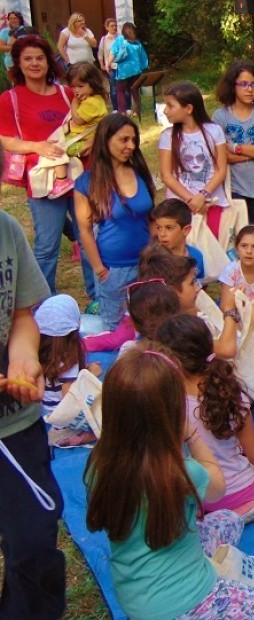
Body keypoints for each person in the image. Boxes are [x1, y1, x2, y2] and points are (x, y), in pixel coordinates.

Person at [84, 343, 254, 619]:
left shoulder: (99, 466)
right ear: (174, 415)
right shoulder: (183, 473)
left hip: (135, 600)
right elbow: (218, 487)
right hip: (192, 600)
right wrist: (192, 436)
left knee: (226, 520)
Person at [156, 314, 254, 522]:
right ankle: (249, 513)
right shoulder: (229, 393)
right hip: (235, 489)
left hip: (195, 493)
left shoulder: (164, 398)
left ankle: (209, 515)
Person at [0, 200, 64, 618]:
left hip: (14, 426)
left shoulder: (6, 229)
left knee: (34, 543)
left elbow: (22, 315)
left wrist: (24, 356)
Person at [0, 35, 96, 300]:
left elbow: (93, 121)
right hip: (43, 182)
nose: (34, 63)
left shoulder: (67, 93)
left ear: (49, 61)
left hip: (79, 177)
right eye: (28, 58)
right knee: (47, 244)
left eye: (40, 58)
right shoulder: (10, 99)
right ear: (18, 64)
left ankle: (98, 297)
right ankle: (43, 300)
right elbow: (4, 139)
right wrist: (37, 146)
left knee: (88, 238)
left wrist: (91, 140)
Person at [74, 114, 155, 334]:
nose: (131, 146)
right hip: (113, 269)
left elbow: (151, 217)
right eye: (124, 140)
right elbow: (85, 230)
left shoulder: (139, 171)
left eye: (133, 140)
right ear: (106, 139)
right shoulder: (87, 182)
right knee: (114, 331)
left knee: (149, 327)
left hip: (146, 264)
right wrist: (100, 271)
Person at [158, 81, 228, 238]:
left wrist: (203, 196)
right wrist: (191, 200)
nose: (165, 110)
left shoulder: (214, 131)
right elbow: (166, 176)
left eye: (170, 105)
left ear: (188, 108)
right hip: (179, 207)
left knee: (212, 249)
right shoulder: (167, 136)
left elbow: (221, 169)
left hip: (212, 202)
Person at [34, 294, 102, 447]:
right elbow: (70, 399)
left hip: (43, 410)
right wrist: (88, 379)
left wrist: (85, 372)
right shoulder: (68, 359)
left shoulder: (36, 352)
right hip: (61, 418)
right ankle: (67, 435)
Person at [213, 60, 254, 227]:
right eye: (244, 84)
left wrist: (235, 148)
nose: (250, 89)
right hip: (232, 188)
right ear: (232, 86)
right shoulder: (220, 116)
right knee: (234, 238)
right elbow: (221, 156)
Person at [50, 62, 109, 199]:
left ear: (93, 84)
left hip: (84, 139)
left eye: (81, 86)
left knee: (57, 151)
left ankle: (62, 179)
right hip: (81, 136)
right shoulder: (93, 98)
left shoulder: (92, 103)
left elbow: (77, 120)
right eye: (73, 86)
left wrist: (74, 103)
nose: (76, 91)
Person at [217, 224, 254, 331]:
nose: (249, 251)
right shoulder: (231, 270)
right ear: (237, 249)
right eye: (244, 246)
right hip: (235, 317)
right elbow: (225, 305)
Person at [151, 198, 206, 279]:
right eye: (159, 228)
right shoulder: (153, 259)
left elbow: (198, 284)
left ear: (186, 230)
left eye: (169, 228)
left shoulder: (196, 256)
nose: (162, 234)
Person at [109, 23, 148, 117]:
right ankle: (137, 111)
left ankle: (122, 112)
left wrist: (108, 64)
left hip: (123, 71)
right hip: (136, 71)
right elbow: (143, 57)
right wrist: (143, 68)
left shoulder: (120, 40)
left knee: (120, 91)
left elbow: (113, 53)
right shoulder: (137, 43)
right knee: (135, 91)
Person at [97, 18, 123, 111]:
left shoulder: (120, 38)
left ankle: (124, 107)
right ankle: (115, 108)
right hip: (111, 66)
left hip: (122, 66)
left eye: (115, 25)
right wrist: (102, 64)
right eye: (112, 26)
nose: (114, 28)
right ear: (107, 27)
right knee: (113, 87)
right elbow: (100, 53)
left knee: (123, 86)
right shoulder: (104, 39)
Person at [0, 11, 25, 75]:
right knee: (16, 83)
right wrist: (15, 47)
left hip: (26, 60)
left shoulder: (26, 29)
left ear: (20, 19)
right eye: (10, 18)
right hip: (11, 62)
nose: (13, 20)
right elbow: (1, 47)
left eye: (15, 18)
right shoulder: (5, 32)